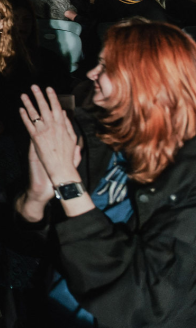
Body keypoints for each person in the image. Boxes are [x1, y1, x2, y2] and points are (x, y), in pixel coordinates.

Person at [16, 22, 196, 326]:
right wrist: (34, 200)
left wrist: (66, 181)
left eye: (106, 66)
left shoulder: (188, 174)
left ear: (145, 79)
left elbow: (144, 301)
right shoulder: (95, 138)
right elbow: (38, 246)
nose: (91, 74)